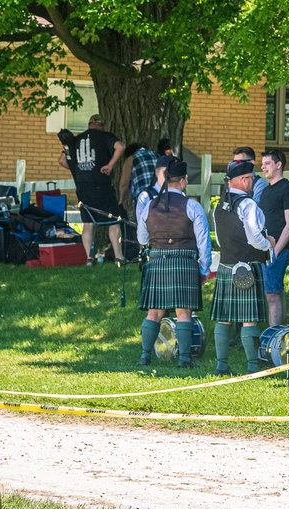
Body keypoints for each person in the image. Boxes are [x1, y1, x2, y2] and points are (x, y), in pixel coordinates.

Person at [136, 156, 211, 367]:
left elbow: (142, 239)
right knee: (183, 311)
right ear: (184, 180)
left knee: (154, 312)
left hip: (157, 262)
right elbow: (203, 241)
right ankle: (185, 360)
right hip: (184, 262)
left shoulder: (150, 205)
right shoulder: (192, 206)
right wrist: (204, 268)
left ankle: (145, 357)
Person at [211, 159, 275, 375]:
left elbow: (220, 240)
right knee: (249, 320)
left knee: (223, 318)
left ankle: (221, 366)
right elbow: (255, 238)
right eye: (250, 178)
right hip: (247, 266)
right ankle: (252, 367)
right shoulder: (248, 205)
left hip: (226, 265)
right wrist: (269, 244)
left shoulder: (218, 206)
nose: (252, 182)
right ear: (243, 179)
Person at [58, 114, 126, 265]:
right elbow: (120, 147)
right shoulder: (105, 136)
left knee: (88, 223)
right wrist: (110, 165)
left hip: (83, 187)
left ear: (89, 124)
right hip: (101, 185)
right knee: (113, 221)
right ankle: (118, 256)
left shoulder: (75, 140)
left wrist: (78, 170)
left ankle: (89, 258)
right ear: (101, 125)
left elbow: (62, 160)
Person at [258, 149, 289, 325]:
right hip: (265, 248)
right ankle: (279, 335)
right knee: (276, 291)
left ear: (278, 164)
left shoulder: (288, 189)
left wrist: (275, 251)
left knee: (272, 295)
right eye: (262, 164)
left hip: (278, 249)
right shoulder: (266, 191)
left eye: (267, 163)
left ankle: (272, 340)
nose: (262, 167)